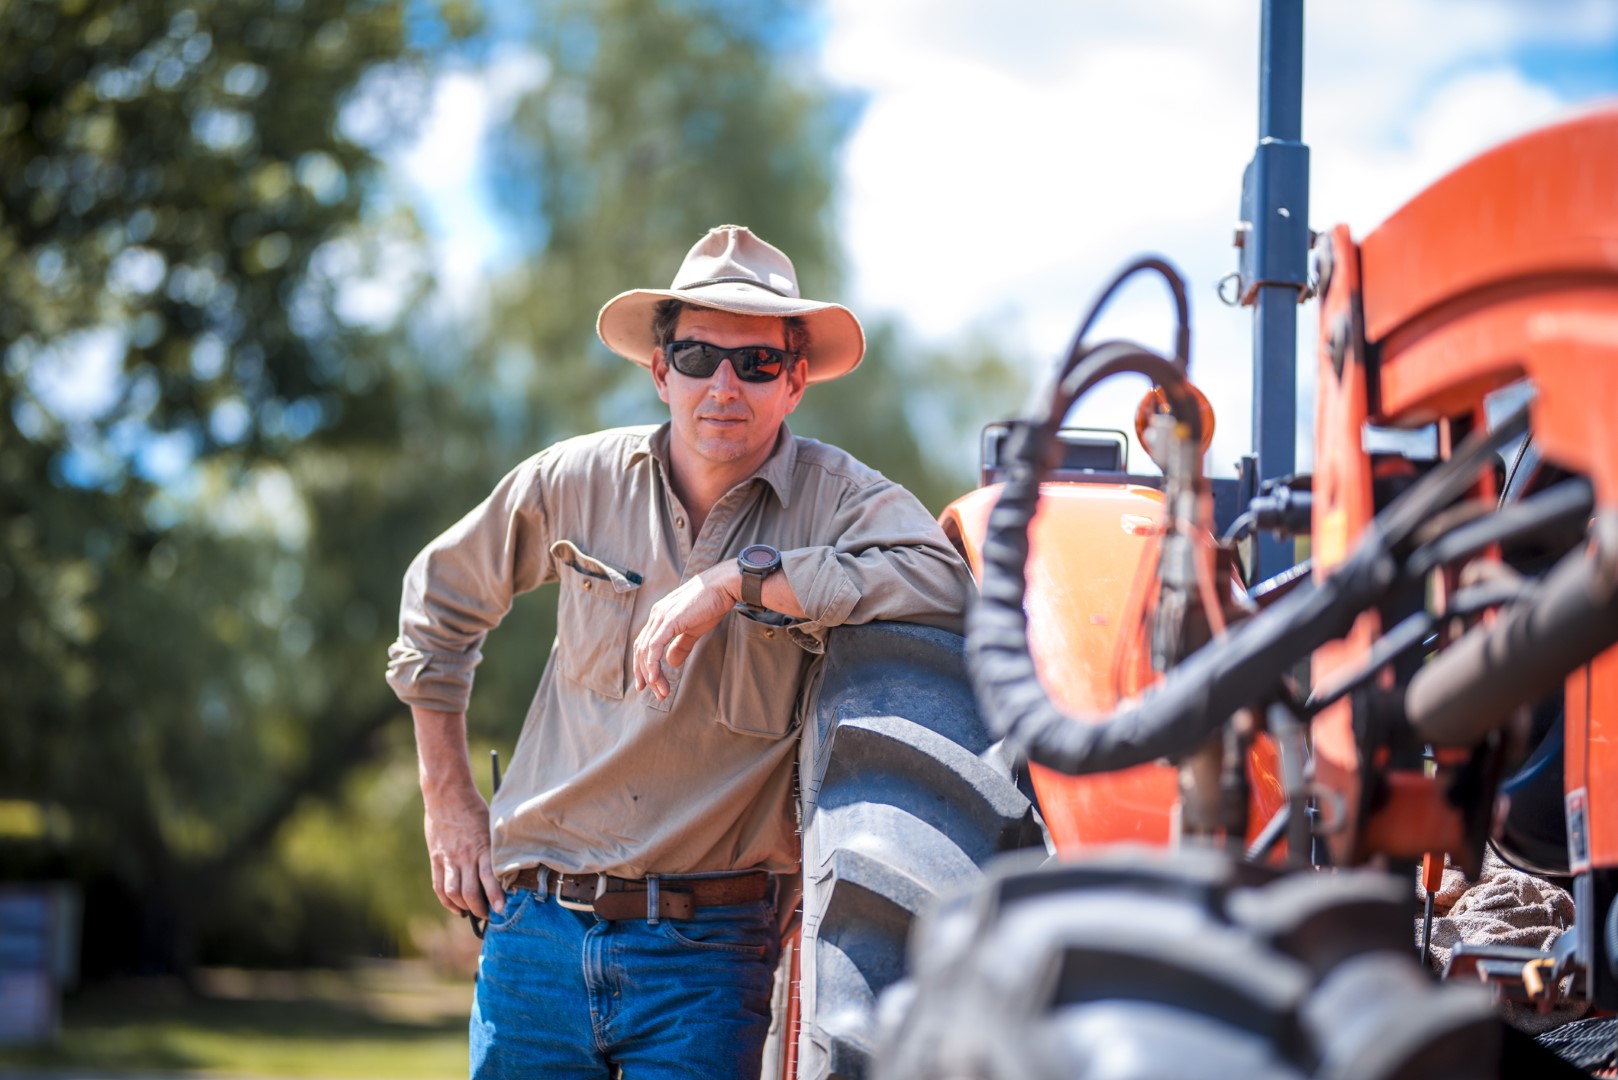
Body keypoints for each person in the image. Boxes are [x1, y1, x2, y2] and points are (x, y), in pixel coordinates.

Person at [385, 224, 972, 1078]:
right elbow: (437, 603)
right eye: (698, 357)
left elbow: (946, 583)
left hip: (708, 954)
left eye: (757, 363)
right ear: (661, 372)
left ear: (795, 380)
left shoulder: (839, 501)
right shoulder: (573, 482)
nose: (724, 386)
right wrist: (448, 800)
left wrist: (742, 582)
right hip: (536, 934)